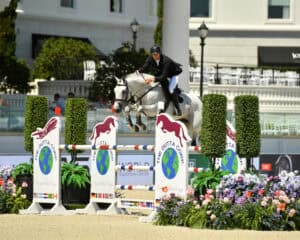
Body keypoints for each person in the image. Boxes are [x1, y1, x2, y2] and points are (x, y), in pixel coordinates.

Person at [138, 45, 183, 116]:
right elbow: (144, 67)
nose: (155, 56)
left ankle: (178, 109)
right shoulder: (150, 58)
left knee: (171, 89)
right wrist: (137, 72)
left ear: (160, 53)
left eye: (157, 54)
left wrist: (152, 79)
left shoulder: (166, 61)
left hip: (173, 74)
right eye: (153, 54)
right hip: (162, 73)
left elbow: (163, 77)